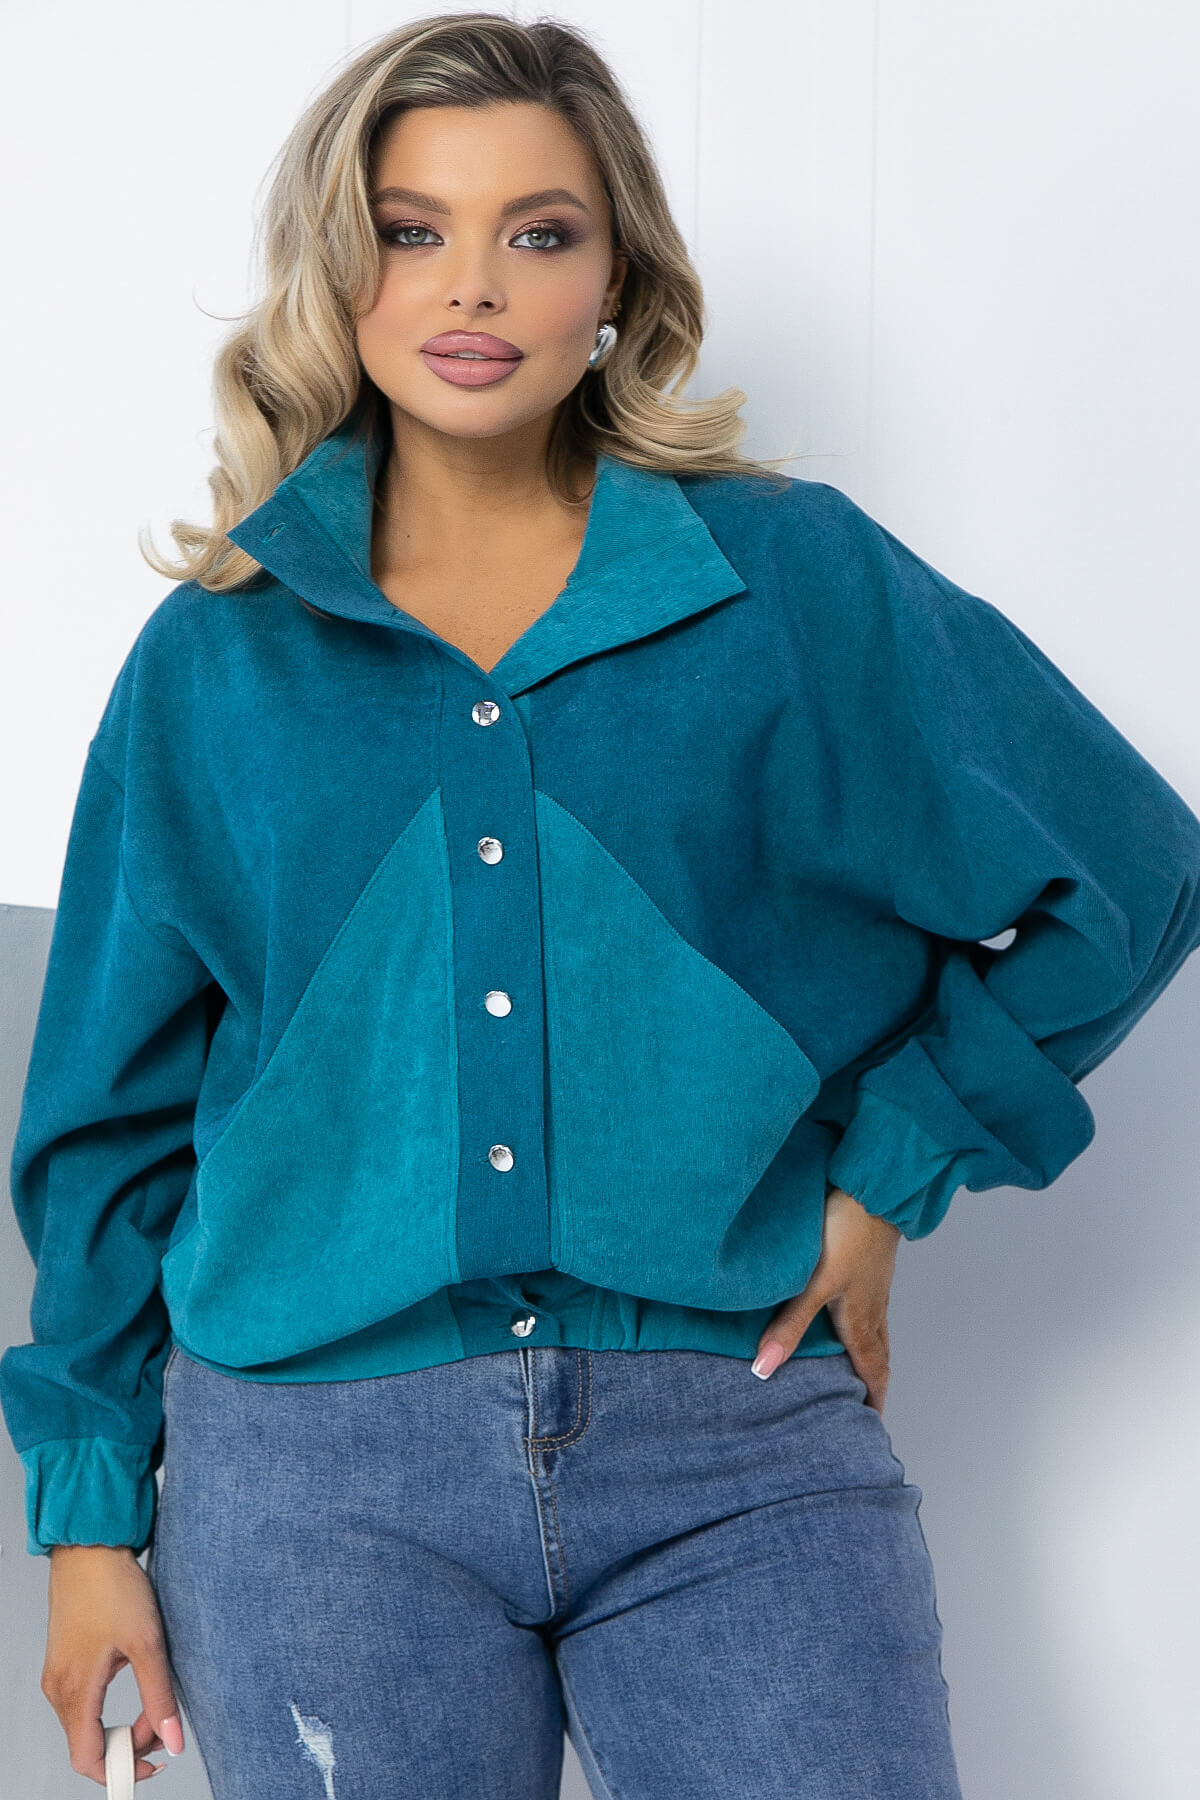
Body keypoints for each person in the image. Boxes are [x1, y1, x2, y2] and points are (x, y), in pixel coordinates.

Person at [4, 13, 1200, 1799]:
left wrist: (890, 1176)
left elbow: (1129, 871)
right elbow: (107, 1122)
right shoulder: (218, 659)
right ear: (340, 272)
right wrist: (91, 1522)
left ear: (617, 277)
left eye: (539, 231)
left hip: (734, 1434)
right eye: (413, 230)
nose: (472, 283)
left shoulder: (791, 580)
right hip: (314, 1474)